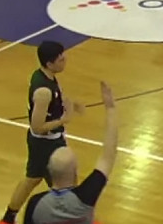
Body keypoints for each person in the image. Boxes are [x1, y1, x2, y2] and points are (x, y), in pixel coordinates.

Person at [0, 41, 84, 224]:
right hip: (46, 143)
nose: (65, 60)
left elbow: (56, 99)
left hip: (48, 141)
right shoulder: (43, 92)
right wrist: (63, 120)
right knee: (66, 182)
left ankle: (7, 218)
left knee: (33, 179)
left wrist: (71, 104)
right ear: (49, 63)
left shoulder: (46, 76)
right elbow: (37, 126)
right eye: (61, 59)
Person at [23, 81, 118, 224]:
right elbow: (108, 156)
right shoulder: (85, 197)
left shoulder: (35, 204)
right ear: (75, 172)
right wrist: (110, 109)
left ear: (50, 171)